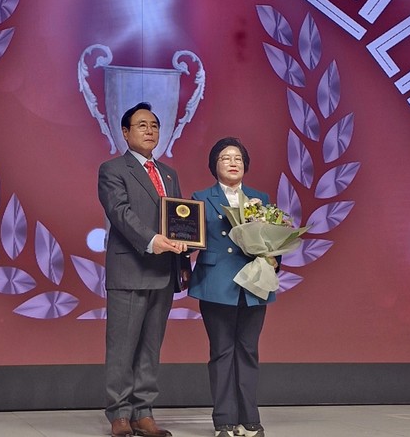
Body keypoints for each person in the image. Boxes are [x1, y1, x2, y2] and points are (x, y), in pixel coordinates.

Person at [98, 101, 191, 437]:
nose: (150, 131)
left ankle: (143, 412)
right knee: (122, 347)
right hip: (130, 270)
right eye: (141, 125)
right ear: (125, 132)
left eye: (154, 126)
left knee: (151, 347)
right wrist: (153, 241)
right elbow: (120, 213)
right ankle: (120, 413)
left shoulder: (168, 174)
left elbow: (180, 221)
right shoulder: (112, 169)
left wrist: (184, 256)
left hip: (163, 272)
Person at [188, 137, 278, 437]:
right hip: (216, 283)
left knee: (249, 350)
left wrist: (274, 257)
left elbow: (273, 238)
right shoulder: (201, 198)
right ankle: (224, 420)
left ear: (245, 165)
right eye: (225, 158)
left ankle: (250, 417)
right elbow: (191, 238)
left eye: (238, 158)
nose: (232, 162)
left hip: (253, 284)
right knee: (222, 351)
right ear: (214, 165)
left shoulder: (260, 198)